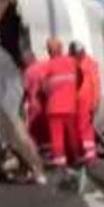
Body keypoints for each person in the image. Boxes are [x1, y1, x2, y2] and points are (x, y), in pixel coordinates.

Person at [42, 38, 79, 168]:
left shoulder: (48, 65)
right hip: (70, 106)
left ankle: (59, 159)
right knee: (72, 133)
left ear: (49, 51)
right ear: (61, 49)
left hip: (54, 107)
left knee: (56, 135)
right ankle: (75, 157)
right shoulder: (72, 62)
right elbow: (78, 80)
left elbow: (44, 87)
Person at [71, 41, 101, 163]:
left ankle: (89, 154)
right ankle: (83, 152)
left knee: (84, 127)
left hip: (86, 100)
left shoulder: (90, 63)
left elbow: (96, 83)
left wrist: (95, 101)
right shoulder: (73, 61)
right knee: (78, 127)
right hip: (76, 100)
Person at [22, 50, 50, 160]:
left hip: (35, 105)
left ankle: (41, 153)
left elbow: (24, 90)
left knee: (35, 132)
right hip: (48, 104)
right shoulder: (45, 65)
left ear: (27, 61)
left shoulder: (28, 72)